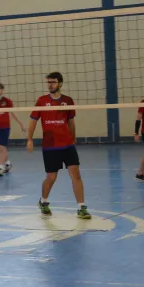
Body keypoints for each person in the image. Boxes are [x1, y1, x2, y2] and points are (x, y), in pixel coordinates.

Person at [26, 72, 91, 219]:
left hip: (67, 144)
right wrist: (29, 139)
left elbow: (71, 121)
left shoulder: (68, 100)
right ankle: (43, 201)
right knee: (51, 177)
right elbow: (33, 121)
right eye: (48, 82)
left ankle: (81, 207)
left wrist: (73, 138)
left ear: (60, 83)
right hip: (50, 145)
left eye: (53, 82)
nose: (50, 84)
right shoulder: (42, 101)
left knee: (76, 174)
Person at [0, 83, 26, 177]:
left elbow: (13, 113)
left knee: (2, 147)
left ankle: (1, 167)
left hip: (5, 127)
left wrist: (21, 124)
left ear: (2, 90)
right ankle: (8, 163)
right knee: (1, 148)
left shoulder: (7, 101)